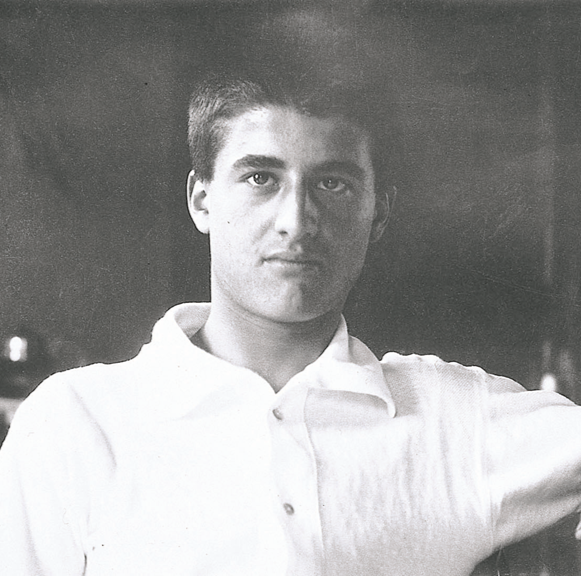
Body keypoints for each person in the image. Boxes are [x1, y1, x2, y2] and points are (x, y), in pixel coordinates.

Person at [1, 71, 581, 576]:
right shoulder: (76, 423)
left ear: (378, 211)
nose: (296, 221)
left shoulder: (457, 423)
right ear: (202, 200)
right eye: (261, 178)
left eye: (333, 183)